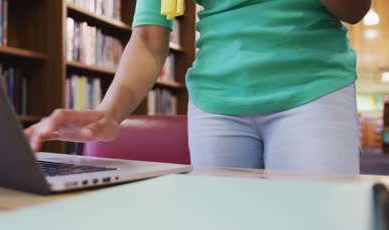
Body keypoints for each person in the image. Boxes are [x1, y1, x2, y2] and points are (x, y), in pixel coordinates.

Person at [25, 0, 371, 174]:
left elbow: (355, 9)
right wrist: (108, 112)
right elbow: (148, 37)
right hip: (216, 105)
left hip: (313, 93)